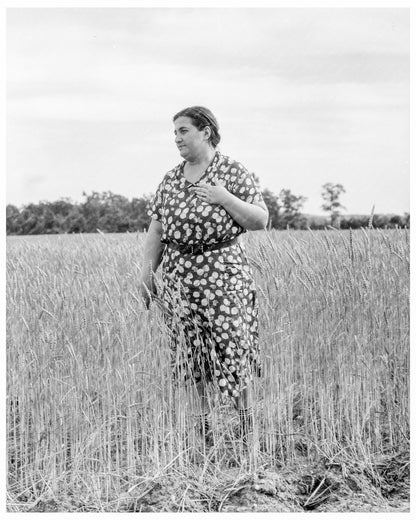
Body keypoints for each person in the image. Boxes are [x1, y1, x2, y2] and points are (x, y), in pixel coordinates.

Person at [140, 106, 268, 445]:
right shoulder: (170, 178)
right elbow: (157, 230)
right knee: (189, 356)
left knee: (232, 349)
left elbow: (260, 219)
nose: (177, 138)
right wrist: (147, 274)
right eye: (175, 133)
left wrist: (224, 198)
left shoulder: (231, 171)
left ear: (206, 131)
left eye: (183, 131)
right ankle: (204, 437)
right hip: (181, 279)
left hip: (224, 276)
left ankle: (246, 434)